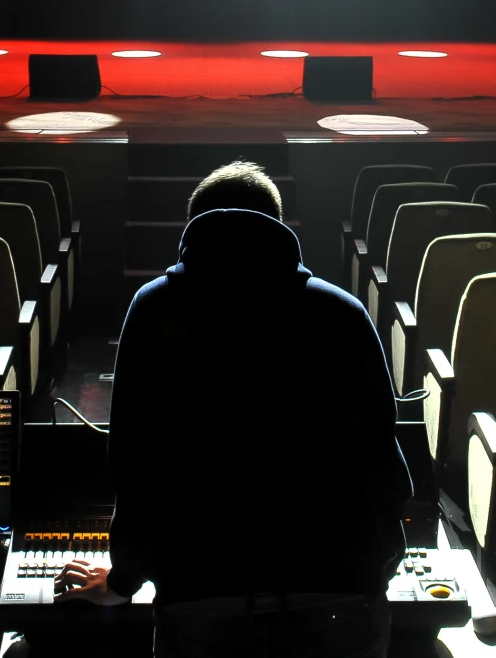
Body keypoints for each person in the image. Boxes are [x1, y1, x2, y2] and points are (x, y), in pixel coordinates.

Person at [55, 160, 412, 657]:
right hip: (339, 598)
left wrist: (123, 581)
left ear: (193, 228)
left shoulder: (154, 309)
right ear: (280, 226)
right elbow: (383, 463)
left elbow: (136, 470)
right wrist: (377, 567)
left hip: (201, 601)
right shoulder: (343, 311)